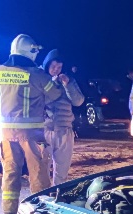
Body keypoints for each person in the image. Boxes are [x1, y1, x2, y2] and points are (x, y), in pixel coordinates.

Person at [0, 34, 59, 214]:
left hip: (5, 132)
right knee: (37, 171)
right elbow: (55, 95)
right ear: (31, 52)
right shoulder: (38, 75)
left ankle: (9, 210)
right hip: (32, 134)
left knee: (10, 170)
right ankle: (41, 209)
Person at [41, 49, 85, 185]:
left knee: (62, 170)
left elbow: (78, 101)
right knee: (42, 168)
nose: (56, 70)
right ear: (47, 65)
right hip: (45, 130)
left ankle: (58, 196)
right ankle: (43, 197)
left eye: (59, 67)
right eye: (53, 66)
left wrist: (68, 85)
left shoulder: (69, 81)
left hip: (65, 130)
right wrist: (51, 84)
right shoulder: (40, 80)